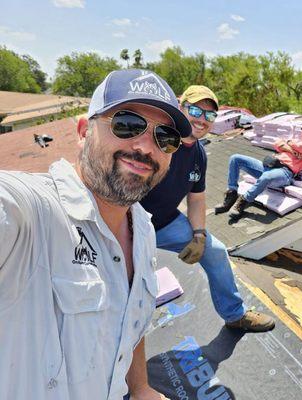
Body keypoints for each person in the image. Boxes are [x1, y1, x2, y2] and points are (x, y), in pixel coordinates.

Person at [0, 69, 191, 399]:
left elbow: (130, 317)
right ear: (83, 131)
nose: (146, 147)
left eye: (165, 138)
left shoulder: (143, 227)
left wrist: (141, 388)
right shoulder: (32, 214)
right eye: (127, 124)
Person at [140, 85, 275, 332]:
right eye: (195, 110)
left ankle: (235, 315)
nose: (202, 119)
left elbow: (197, 198)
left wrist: (199, 234)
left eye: (209, 115)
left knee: (216, 251)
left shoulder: (199, 154)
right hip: (128, 224)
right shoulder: (158, 139)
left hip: (166, 223)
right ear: (180, 108)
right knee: (129, 281)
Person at [215, 120, 302, 219]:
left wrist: (288, 142)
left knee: (266, 176)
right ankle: (231, 194)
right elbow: (277, 143)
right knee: (235, 158)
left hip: (284, 173)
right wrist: (291, 150)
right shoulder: (296, 144)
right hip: (267, 166)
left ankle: (244, 200)